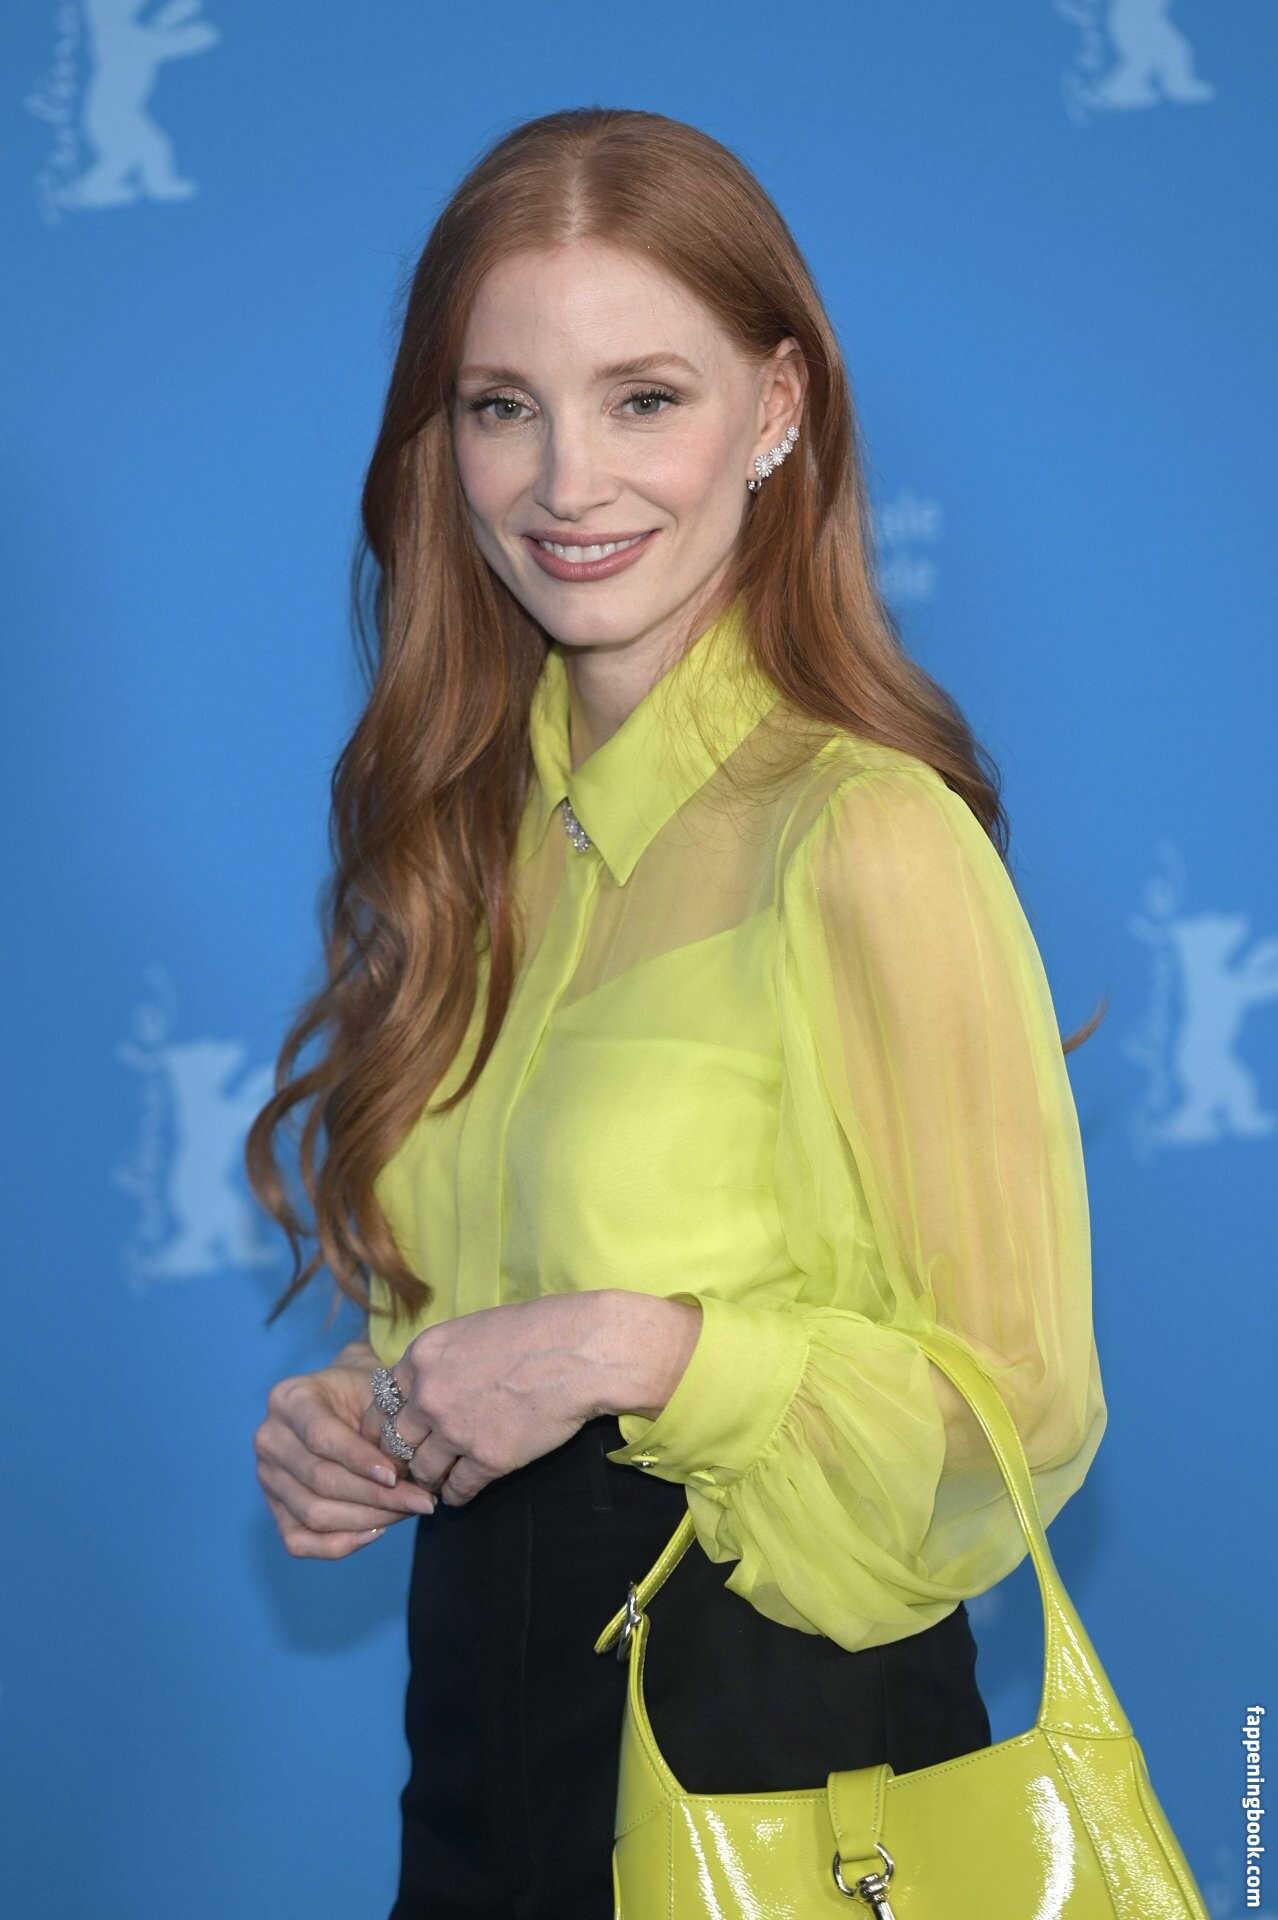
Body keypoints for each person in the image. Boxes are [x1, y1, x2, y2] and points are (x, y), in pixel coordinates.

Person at [248, 105, 1109, 1920]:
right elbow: (492, 1332)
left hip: (784, 1780)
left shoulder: (863, 833)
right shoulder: (470, 851)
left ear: (775, 408)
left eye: (643, 398)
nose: (567, 482)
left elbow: (1013, 1417)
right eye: (504, 406)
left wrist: (638, 1351)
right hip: (478, 1789)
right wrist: (370, 1411)